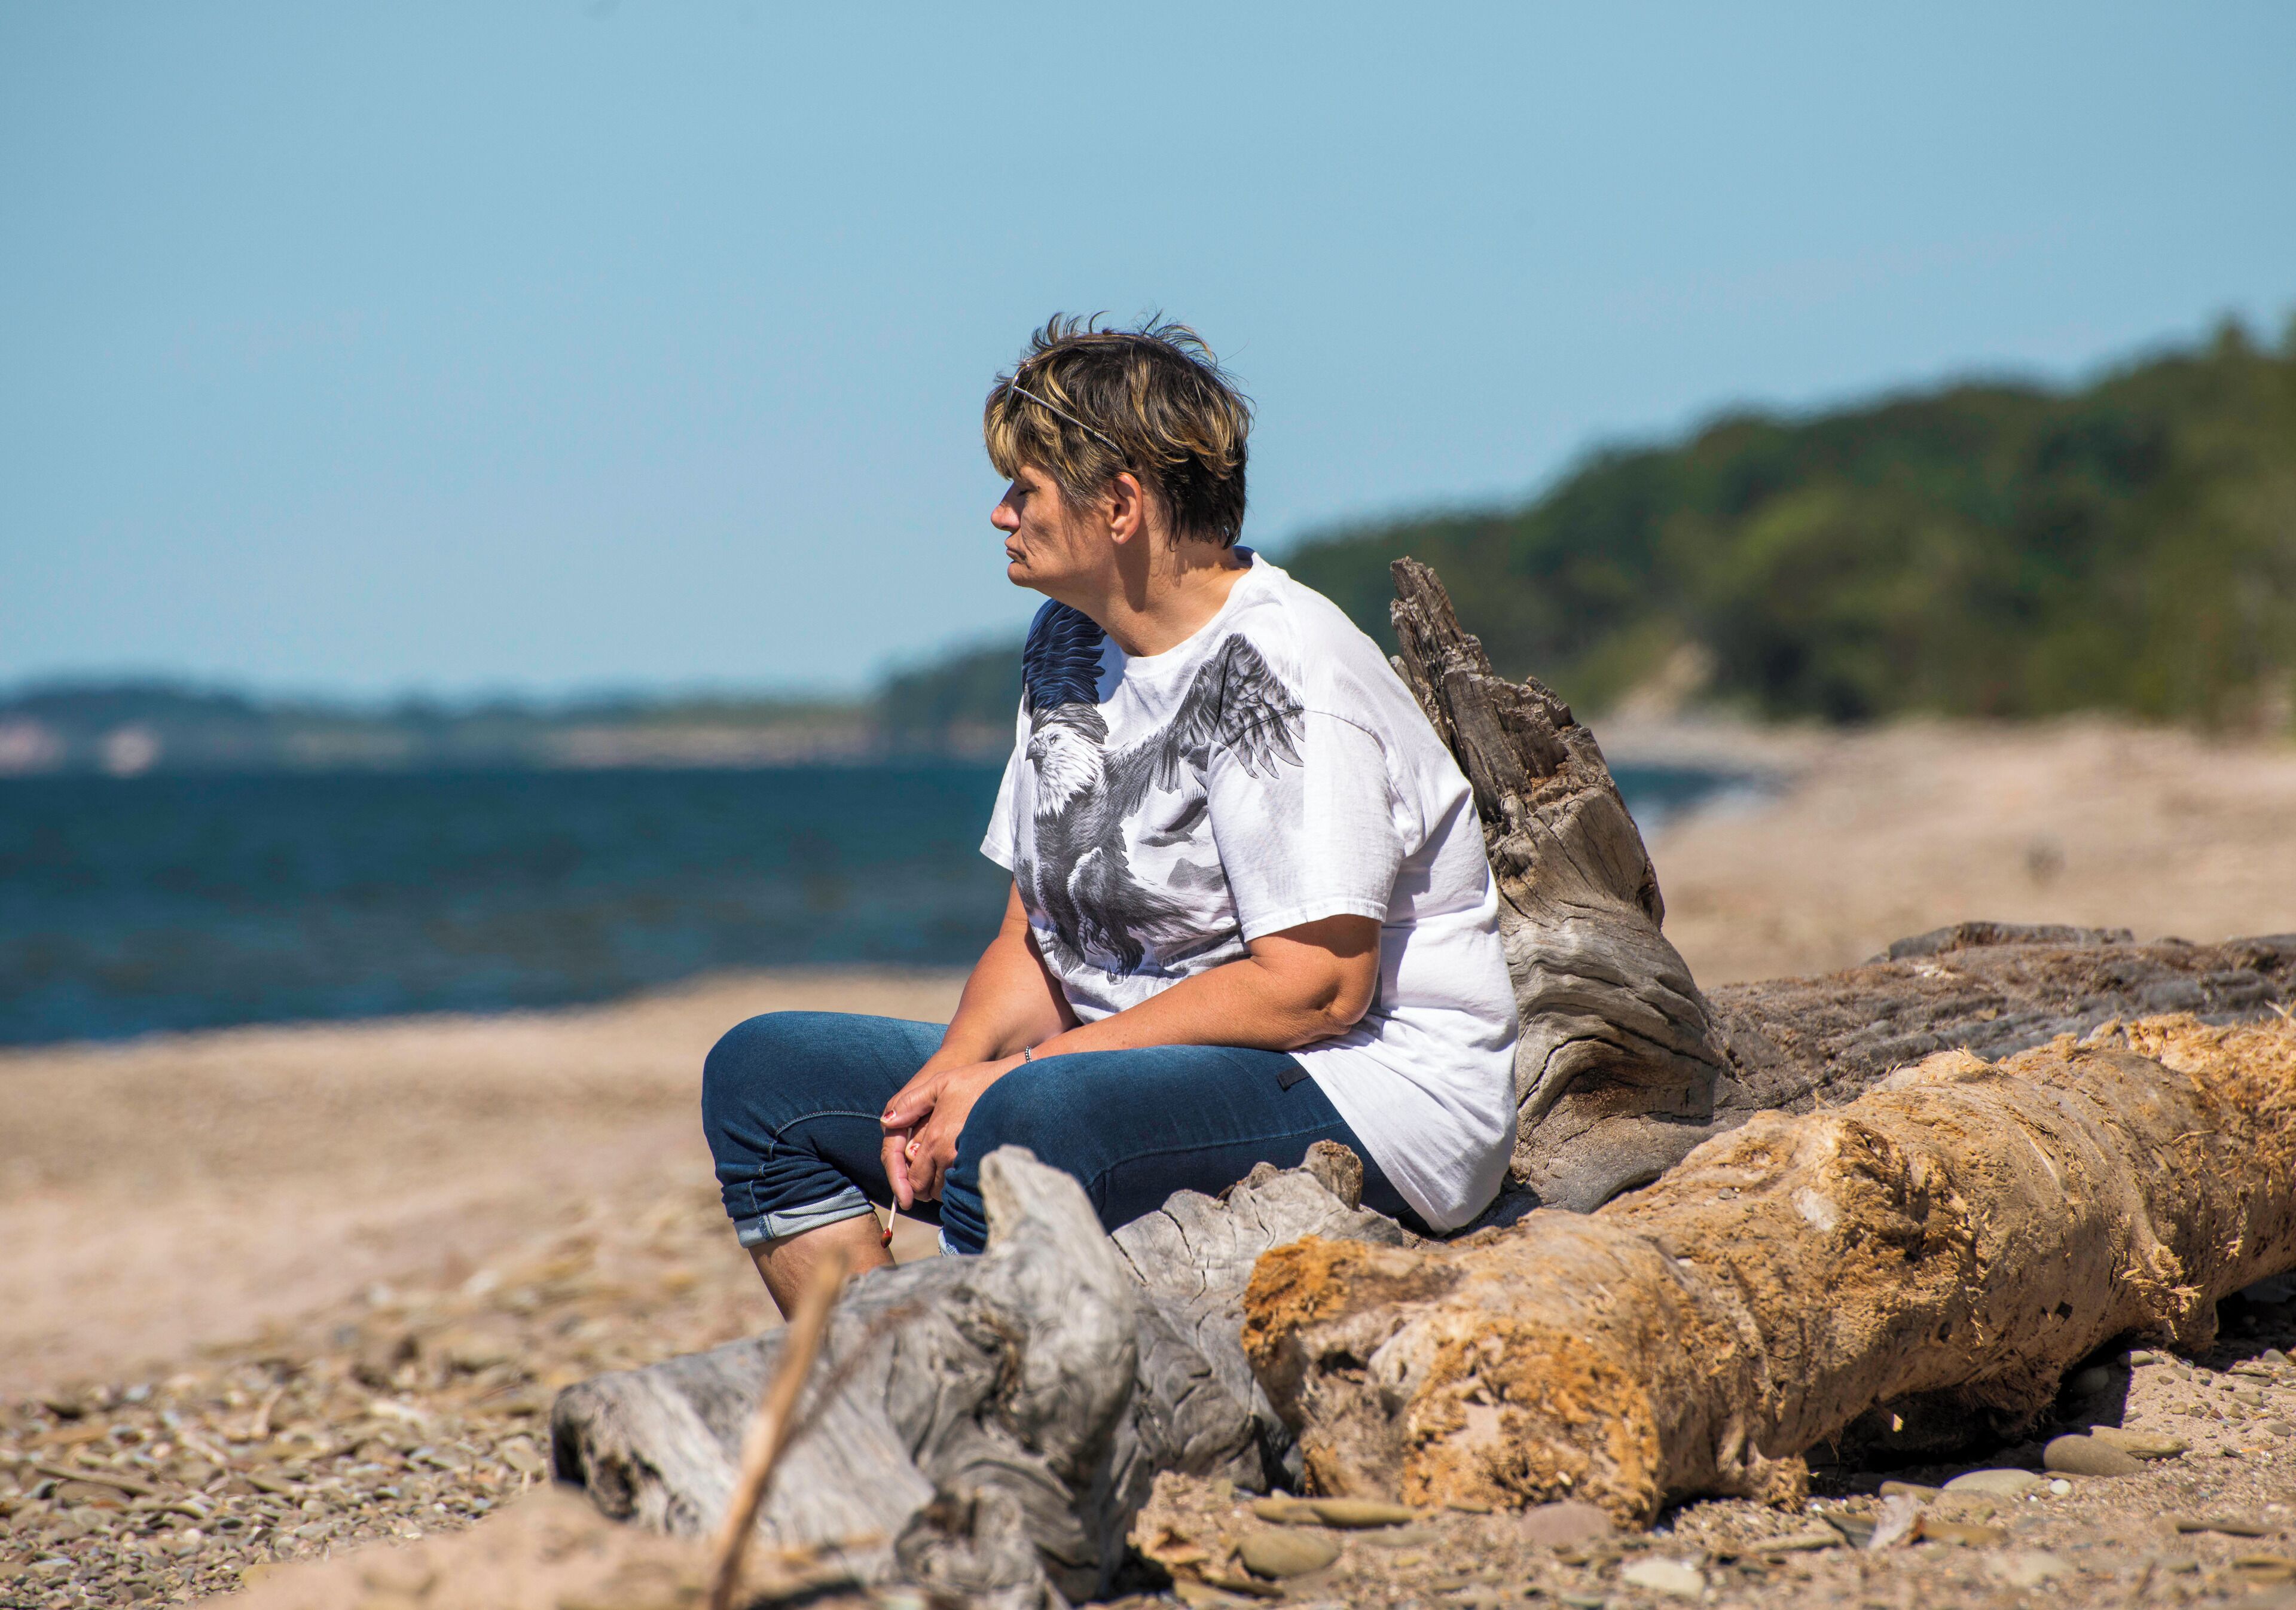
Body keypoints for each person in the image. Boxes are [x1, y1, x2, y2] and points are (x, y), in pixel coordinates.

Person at [703, 317, 1520, 1315]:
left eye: (1026, 488)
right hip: (1128, 1066)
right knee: (763, 1077)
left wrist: (1018, 1079)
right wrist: (952, 1072)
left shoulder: (1286, 666)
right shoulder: (1069, 642)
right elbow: (1037, 934)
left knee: (1024, 1124)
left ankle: (989, 1419)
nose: (1000, 514)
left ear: (1120, 504)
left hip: (1371, 1092)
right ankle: (871, 1389)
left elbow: (1318, 987)